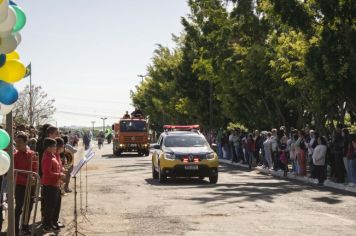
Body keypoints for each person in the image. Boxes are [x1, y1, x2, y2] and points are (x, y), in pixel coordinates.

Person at [14, 133, 38, 236]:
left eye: (19, 142)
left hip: (31, 186)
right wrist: (27, 177)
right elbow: (14, 172)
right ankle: (15, 229)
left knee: (29, 207)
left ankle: (24, 227)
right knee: (18, 208)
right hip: (20, 185)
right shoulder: (14, 155)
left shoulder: (33, 154)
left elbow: (36, 168)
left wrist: (33, 178)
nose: (16, 144)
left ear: (25, 142)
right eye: (16, 142)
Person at [41, 138, 64, 232]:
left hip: (55, 184)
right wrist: (59, 175)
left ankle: (51, 223)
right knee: (49, 207)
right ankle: (47, 225)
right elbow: (46, 172)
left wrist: (60, 172)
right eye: (54, 146)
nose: (56, 148)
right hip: (49, 185)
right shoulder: (47, 157)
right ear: (48, 147)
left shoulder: (52, 155)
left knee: (54, 205)